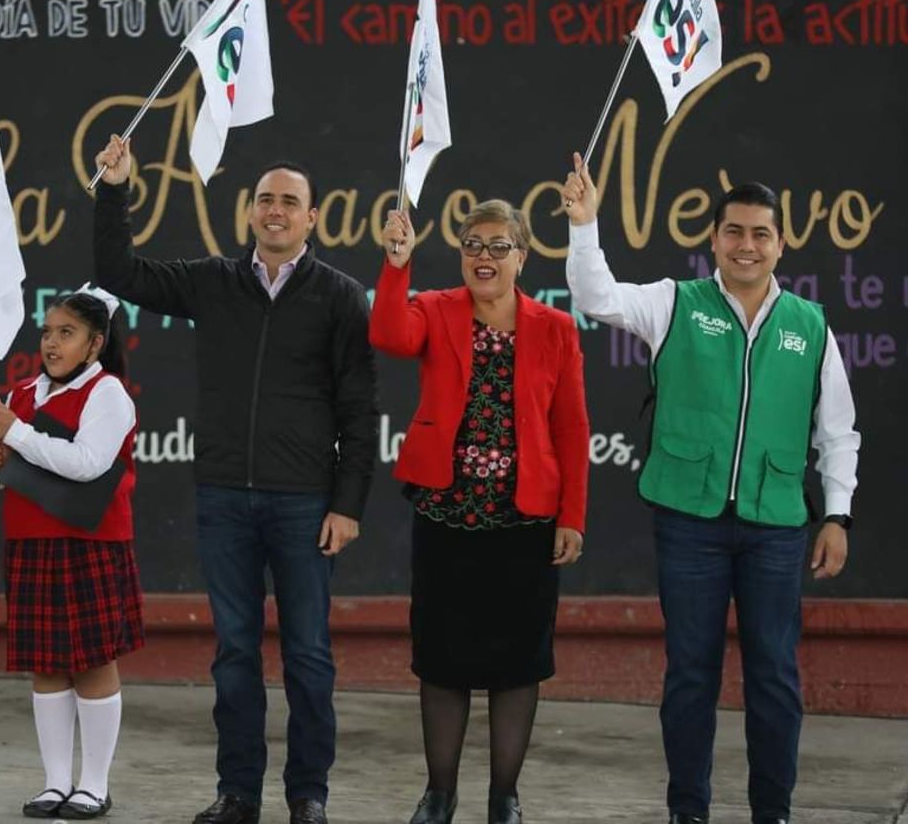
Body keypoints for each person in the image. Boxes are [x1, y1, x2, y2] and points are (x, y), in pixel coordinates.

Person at [562, 154, 860, 824]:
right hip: (689, 522)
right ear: (715, 239)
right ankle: (687, 810)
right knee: (691, 676)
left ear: (780, 242)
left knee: (775, 680)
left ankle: (771, 811)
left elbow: (837, 430)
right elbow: (595, 295)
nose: (746, 246)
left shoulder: (810, 326)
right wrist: (585, 224)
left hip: (777, 525)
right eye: (734, 232)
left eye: (760, 233)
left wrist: (836, 513)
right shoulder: (675, 302)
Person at [92, 136, 378, 824]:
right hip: (225, 497)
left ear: (313, 217)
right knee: (234, 656)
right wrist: (113, 190)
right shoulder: (212, 280)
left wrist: (347, 503)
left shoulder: (340, 297)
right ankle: (239, 793)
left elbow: (360, 411)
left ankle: (308, 795)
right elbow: (118, 270)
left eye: (290, 201)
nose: (275, 211)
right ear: (250, 213)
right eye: (265, 200)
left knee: (309, 657)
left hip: (306, 502)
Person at [370, 203, 589, 824]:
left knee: (518, 665)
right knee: (443, 661)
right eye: (473, 244)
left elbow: (572, 427)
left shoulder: (555, 328)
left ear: (523, 256)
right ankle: (439, 794)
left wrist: (572, 515)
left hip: (526, 524)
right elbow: (389, 334)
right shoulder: (436, 309)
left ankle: (504, 799)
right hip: (447, 518)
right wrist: (396, 263)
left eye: (499, 245)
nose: (484, 256)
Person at [0, 286, 142, 820]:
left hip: (90, 545)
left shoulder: (110, 394)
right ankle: (54, 783)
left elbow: (88, 464)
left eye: (66, 333)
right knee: (46, 666)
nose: (51, 342)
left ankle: (94, 784)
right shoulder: (20, 394)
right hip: (31, 544)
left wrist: (17, 435)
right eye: (48, 331)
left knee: (93, 663)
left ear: (95, 344)